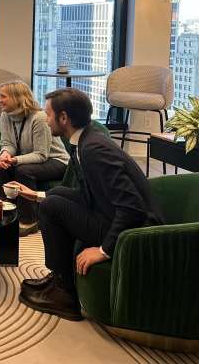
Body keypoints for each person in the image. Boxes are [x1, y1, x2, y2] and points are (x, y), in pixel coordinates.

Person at [9, 88, 163, 321]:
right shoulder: (86, 139)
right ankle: (59, 276)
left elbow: (131, 207)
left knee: (52, 207)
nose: (45, 120)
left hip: (135, 233)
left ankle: (65, 293)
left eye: (48, 114)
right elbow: (90, 194)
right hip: (111, 214)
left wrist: (103, 250)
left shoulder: (94, 149)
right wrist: (37, 195)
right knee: (55, 194)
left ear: (63, 118)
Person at [0, 80, 70, 236]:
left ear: (17, 98)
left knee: (23, 171)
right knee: (2, 167)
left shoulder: (39, 118)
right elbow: (8, 143)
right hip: (30, 158)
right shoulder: (5, 116)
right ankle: (7, 214)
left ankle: (29, 220)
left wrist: (15, 160)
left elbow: (41, 154)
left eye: (3, 96)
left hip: (56, 161)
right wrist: (5, 155)